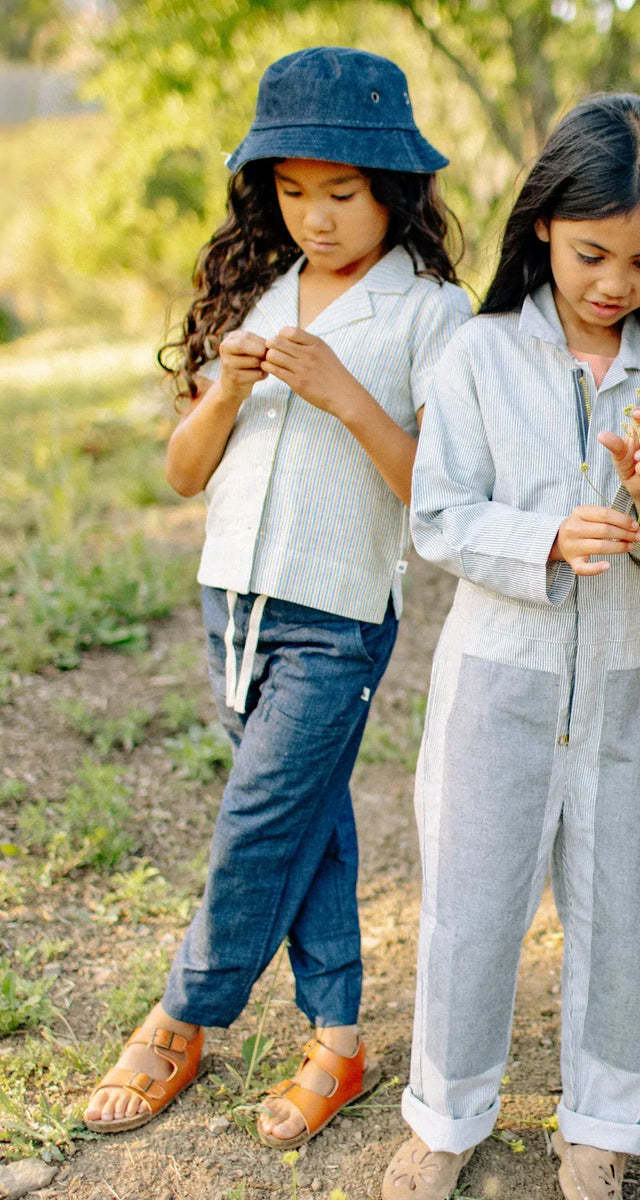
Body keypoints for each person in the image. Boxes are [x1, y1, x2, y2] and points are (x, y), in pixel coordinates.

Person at [82, 46, 472, 1149]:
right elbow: (183, 470)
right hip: (230, 602)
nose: (317, 219)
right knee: (308, 819)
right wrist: (226, 392)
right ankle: (339, 1043)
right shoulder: (256, 290)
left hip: (337, 611)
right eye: (293, 192)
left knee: (259, 819)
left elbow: (437, 496)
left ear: (393, 189)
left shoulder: (432, 315)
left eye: (342, 194)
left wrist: (347, 397)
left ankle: (180, 1016)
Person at [382, 94, 640, 1200]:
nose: (612, 282)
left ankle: (606, 1120)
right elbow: (436, 514)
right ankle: (445, 1116)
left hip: (628, 682)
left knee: (625, 905)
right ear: (541, 224)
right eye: (591, 253)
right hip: (499, 680)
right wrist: (541, 534)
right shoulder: (478, 356)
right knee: (472, 904)